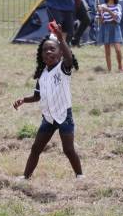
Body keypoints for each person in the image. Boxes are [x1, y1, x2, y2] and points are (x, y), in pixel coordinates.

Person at [13, 22, 83, 180]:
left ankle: (80, 175)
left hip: (64, 116)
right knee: (36, 148)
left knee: (68, 150)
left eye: (52, 49)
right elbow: (37, 96)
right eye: (45, 50)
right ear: (41, 55)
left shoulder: (63, 69)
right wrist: (23, 100)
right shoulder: (42, 75)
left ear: (60, 53)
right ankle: (25, 177)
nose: (48, 52)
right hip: (48, 118)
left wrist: (61, 39)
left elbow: (69, 58)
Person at [97, 0, 123, 72]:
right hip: (105, 27)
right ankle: (109, 69)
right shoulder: (102, 6)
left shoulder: (118, 6)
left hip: (115, 27)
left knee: (118, 49)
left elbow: (117, 18)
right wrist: (100, 13)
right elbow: (101, 21)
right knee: (107, 50)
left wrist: (107, 10)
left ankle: (120, 66)